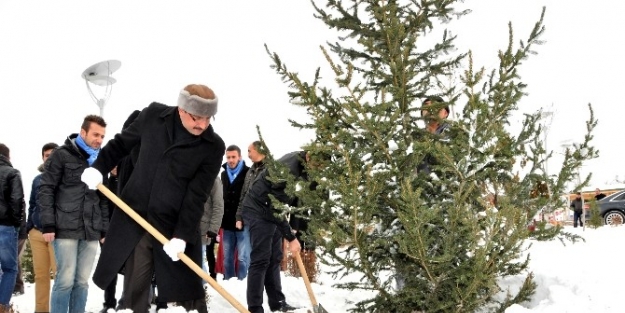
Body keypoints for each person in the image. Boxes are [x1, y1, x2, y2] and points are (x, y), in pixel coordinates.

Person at [83, 84, 225, 313]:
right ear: (182, 109)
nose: (202, 125)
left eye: (208, 119)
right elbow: (121, 144)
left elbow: (197, 195)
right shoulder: (153, 116)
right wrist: (99, 167)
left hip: (174, 223)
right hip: (137, 217)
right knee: (135, 290)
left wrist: (181, 236)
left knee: (188, 294)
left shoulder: (213, 146)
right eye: (197, 117)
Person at [38, 115, 109, 313]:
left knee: (82, 282)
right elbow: (46, 189)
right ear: (83, 132)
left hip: (91, 229)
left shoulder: (101, 160)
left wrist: (104, 229)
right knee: (65, 280)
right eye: (95, 134)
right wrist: (48, 224)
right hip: (65, 227)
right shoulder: (61, 155)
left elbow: (103, 198)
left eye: (102, 136)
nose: (99, 140)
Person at [240, 142, 302, 313]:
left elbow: (293, 200)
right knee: (260, 260)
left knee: (275, 258)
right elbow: (276, 207)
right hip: (258, 211)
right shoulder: (287, 169)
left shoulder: (302, 164)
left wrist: (290, 231)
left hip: (270, 212)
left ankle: (277, 303)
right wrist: (290, 237)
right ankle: (255, 307)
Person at [26, 142, 59, 313]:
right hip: (37, 234)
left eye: (53, 154)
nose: (50, 158)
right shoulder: (37, 180)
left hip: (56, 235)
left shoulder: (63, 178)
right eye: (47, 155)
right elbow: (32, 204)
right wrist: (29, 226)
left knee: (59, 276)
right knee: (41, 276)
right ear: (43, 157)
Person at [0, 143, 25, 313]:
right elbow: (17, 200)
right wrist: (16, 223)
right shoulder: (12, 173)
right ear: (8, 157)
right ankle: (3, 306)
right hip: (5, 226)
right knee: (9, 268)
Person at [220, 144, 250, 280]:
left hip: (242, 222)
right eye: (228, 157)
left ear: (240, 157)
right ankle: (229, 283)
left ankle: (243, 284)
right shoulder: (224, 174)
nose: (231, 160)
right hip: (227, 223)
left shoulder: (247, 173)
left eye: (233, 157)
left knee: (243, 257)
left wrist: (242, 217)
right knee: (227, 257)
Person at [200, 177, 224, 281]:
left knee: (198, 260)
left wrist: (213, 229)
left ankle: (203, 285)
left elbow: (218, 205)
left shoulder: (214, 180)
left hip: (204, 228)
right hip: (189, 226)